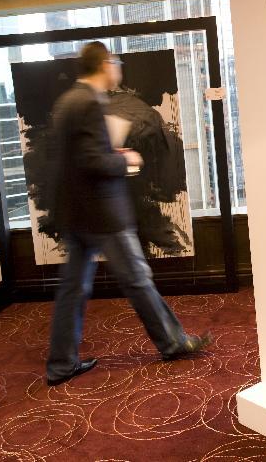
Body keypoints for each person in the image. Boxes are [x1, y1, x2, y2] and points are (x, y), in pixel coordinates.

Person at [45, 41, 210, 386]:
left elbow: (76, 158)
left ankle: (61, 364)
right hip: (102, 213)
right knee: (137, 280)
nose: (118, 68)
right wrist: (125, 159)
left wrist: (108, 151)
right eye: (115, 62)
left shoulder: (67, 101)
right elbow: (92, 161)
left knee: (73, 289)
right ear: (105, 64)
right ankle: (174, 342)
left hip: (76, 213)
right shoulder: (90, 102)